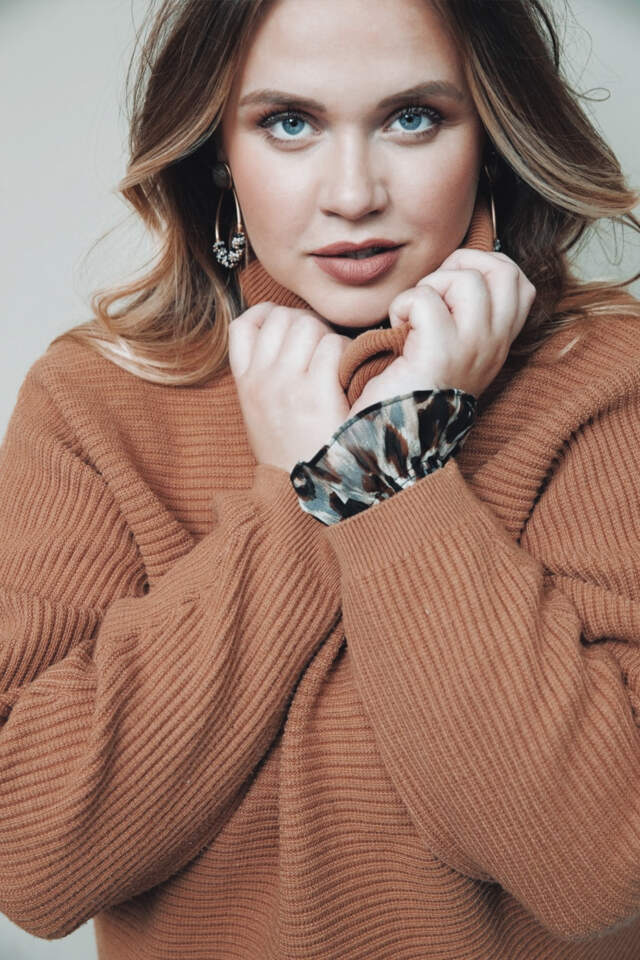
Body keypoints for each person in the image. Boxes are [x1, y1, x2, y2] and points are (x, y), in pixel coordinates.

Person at [0, 0, 639, 957]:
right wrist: (298, 501)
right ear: (219, 152)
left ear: (491, 140)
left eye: (413, 117)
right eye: (289, 122)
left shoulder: (606, 384)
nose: (352, 194)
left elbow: (593, 870)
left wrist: (383, 467)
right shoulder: (94, 402)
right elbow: (33, 863)